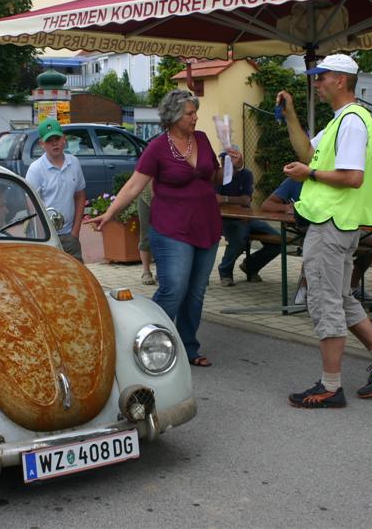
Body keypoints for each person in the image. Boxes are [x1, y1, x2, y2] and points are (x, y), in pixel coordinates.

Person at [277, 54, 372, 408]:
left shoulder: (350, 122)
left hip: (332, 224)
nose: (316, 83)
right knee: (342, 298)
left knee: (324, 302)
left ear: (341, 80)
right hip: (342, 224)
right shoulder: (345, 121)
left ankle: (330, 386)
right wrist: (290, 115)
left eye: (321, 77)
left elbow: (353, 177)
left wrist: (310, 175)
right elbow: (308, 151)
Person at [85, 90, 243, 367]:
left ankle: (188, 347)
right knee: (174, 289)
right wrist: (109, 213)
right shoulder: (157, 147)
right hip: (172, 228)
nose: (195, 117)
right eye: (190, 113)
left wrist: (235, 165)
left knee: (196, 291)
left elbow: (215, 178)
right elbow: (134, 185)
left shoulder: (203, 139)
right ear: (173, 117)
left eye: (195, 112)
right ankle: (144, 340)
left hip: (205, 226)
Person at [261, 177, 372, 301]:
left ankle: (353, 284)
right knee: (314, 242)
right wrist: (288, 208)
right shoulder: (295, 181)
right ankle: (305, 288)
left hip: (342, 224)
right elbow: (267, 204)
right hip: (310, 228)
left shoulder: (331, 179)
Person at [25, 118, 86, 262]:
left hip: (70, 236)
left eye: (57, 138)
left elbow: (80, 196)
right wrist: (43, 237)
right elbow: (31, 207)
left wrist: (75, 232)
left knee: (77, 278)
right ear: (42, 144)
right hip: (47, 238)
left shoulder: (74, 163)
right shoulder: (36, 169)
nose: (54, 143)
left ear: (64, 139)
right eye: (49, 140)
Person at [216, 164, 281, 286]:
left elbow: (246, 200)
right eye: (224, 161)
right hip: (227, 219)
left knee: (278, 240)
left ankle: (250, 266)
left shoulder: (246, 174)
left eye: (230, 161)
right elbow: (216, 201)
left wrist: (225, 199)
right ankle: (225, 271)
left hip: (248, 218)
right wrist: (237, 203)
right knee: (240, 239)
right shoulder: (218, 175)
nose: (227, 165)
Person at [137, 184, 156, 285]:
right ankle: (146, 271)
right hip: (146, 197)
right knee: (146, 234)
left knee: (167, 237)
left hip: (167, 198)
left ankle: (163, 271)